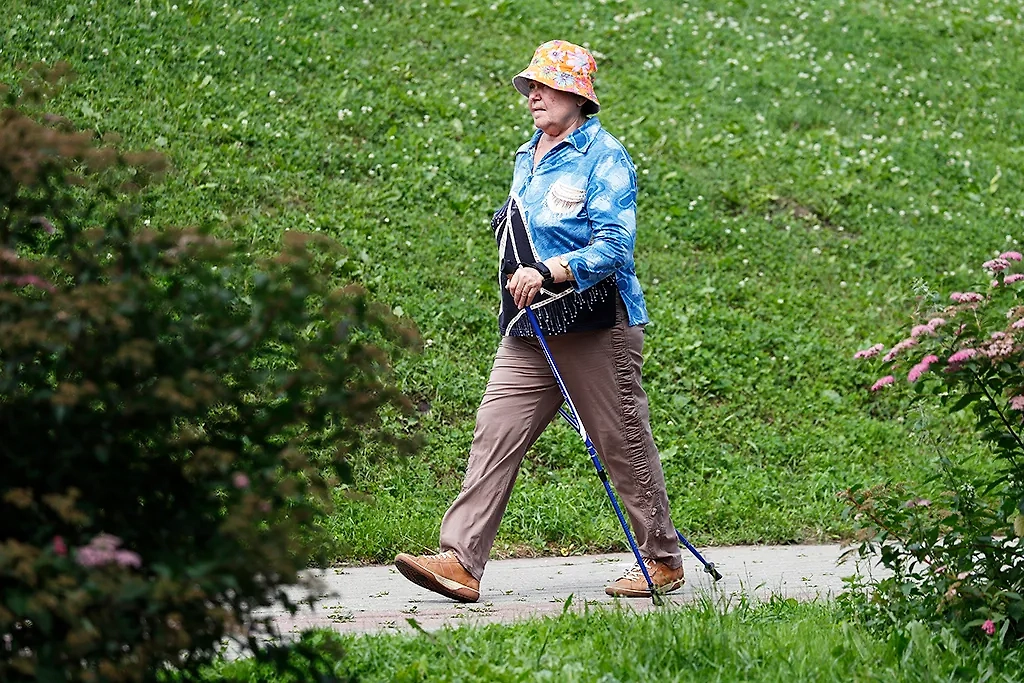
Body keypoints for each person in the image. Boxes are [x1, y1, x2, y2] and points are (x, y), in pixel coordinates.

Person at [394, 40, 683, 602]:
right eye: (531, 87)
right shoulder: (529, 156)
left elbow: (616, 246)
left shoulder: (605, 156)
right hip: (534, 326)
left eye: (545, 87)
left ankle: (661, 559)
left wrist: (552, 270)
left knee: (621, 442)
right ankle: (461, 560)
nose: (533, 97)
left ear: (576, 94)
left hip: (600, 325)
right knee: (494, 432)